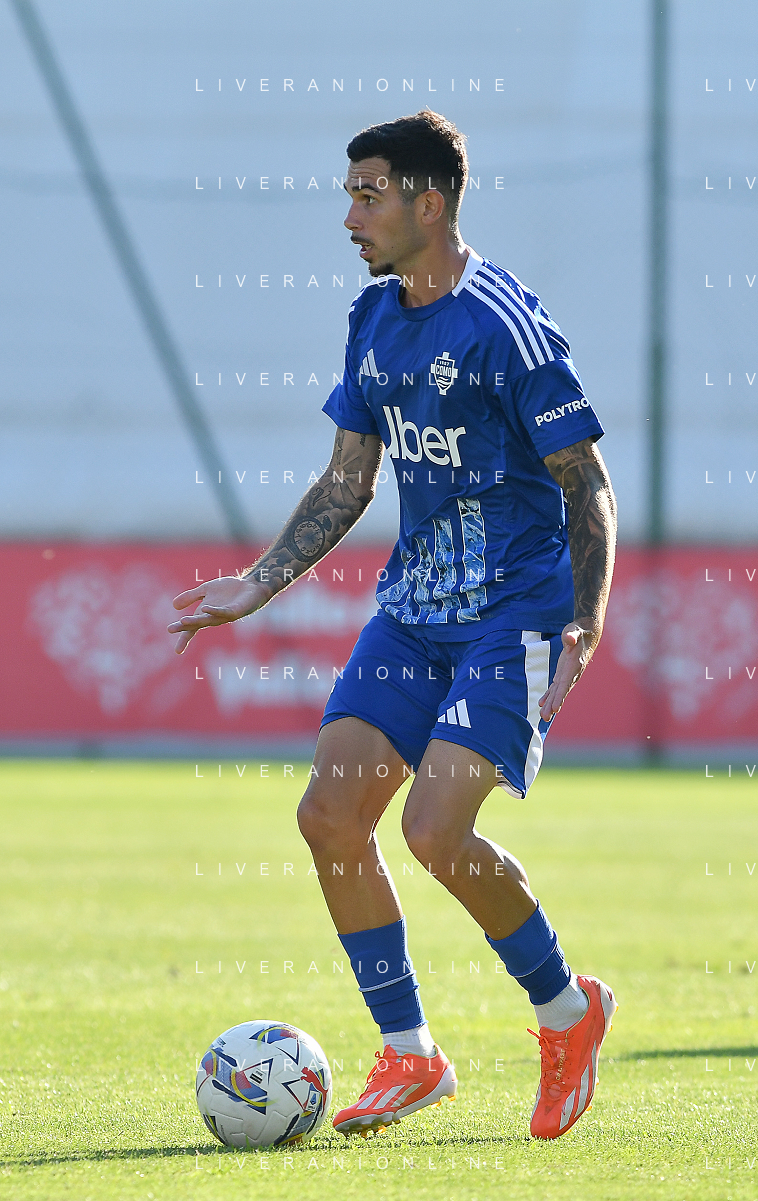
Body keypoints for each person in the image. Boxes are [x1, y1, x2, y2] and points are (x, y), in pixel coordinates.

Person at [169, 110, 618, 1141]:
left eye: (367, 194)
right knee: (330, 818)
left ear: (430, 202)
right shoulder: (372, 318)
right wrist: (259, 582)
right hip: (414, 611)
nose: (349, 216)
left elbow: (586, 481)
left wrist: (584, 622)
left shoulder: (502, 324)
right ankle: (411, 1053)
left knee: (432, 831)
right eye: (350, 194)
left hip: (513, 612)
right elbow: (347, 482)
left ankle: (567, 1011)